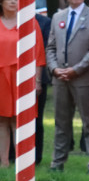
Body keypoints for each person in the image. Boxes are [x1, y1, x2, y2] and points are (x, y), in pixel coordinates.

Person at [46, 0, 89, 173]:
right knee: (61, 123)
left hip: (84, 78)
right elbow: (51, 47)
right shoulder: (58, 17)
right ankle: (57, 163)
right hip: (60, 78)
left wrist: (76, 69)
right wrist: (55, 68)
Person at [0, 0, 45, 167]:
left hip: (22, 77)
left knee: (20, 120)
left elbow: (39, 54)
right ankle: (3, 162)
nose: (13, 2)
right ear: (1, 1)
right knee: (2, 120)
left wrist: (37, 80)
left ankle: (22, 162)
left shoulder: (29, 23)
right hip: (1, 77)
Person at [34, 11, 51, 165]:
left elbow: (44, 49)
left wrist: (37, 79)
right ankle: (9, 156)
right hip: (7, 75)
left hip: (37, 77)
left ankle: (35, 157)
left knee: (36, 119)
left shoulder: (44, 22)